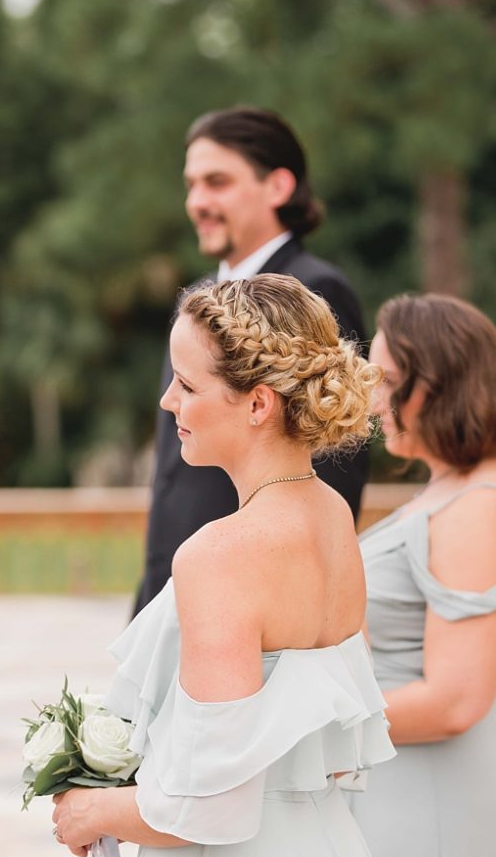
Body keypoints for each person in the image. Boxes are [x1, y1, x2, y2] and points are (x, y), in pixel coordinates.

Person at [52, 275, 396, 857]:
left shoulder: (222, 553)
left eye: (187, 385)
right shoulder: (331, 515)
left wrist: (94, 811)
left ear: (258, 404)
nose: (167, 401)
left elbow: (212, 804)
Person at [346, 294, 496, 857]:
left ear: (436, 382)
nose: (371, 401)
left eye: (384, 382)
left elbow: (456, 699)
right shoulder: (454, 487)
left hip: (442, 811)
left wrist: (300, 722)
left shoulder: (482, 507)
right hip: (407, 794)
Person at [134, 107, 368, 615]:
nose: (197, 201)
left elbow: (333, 460)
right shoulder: (197, 298)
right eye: (191, 184)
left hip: (253, 600)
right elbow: (173, 479)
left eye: (217, 182)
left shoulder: (314, 290)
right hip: (177, 587)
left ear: (277, 186)